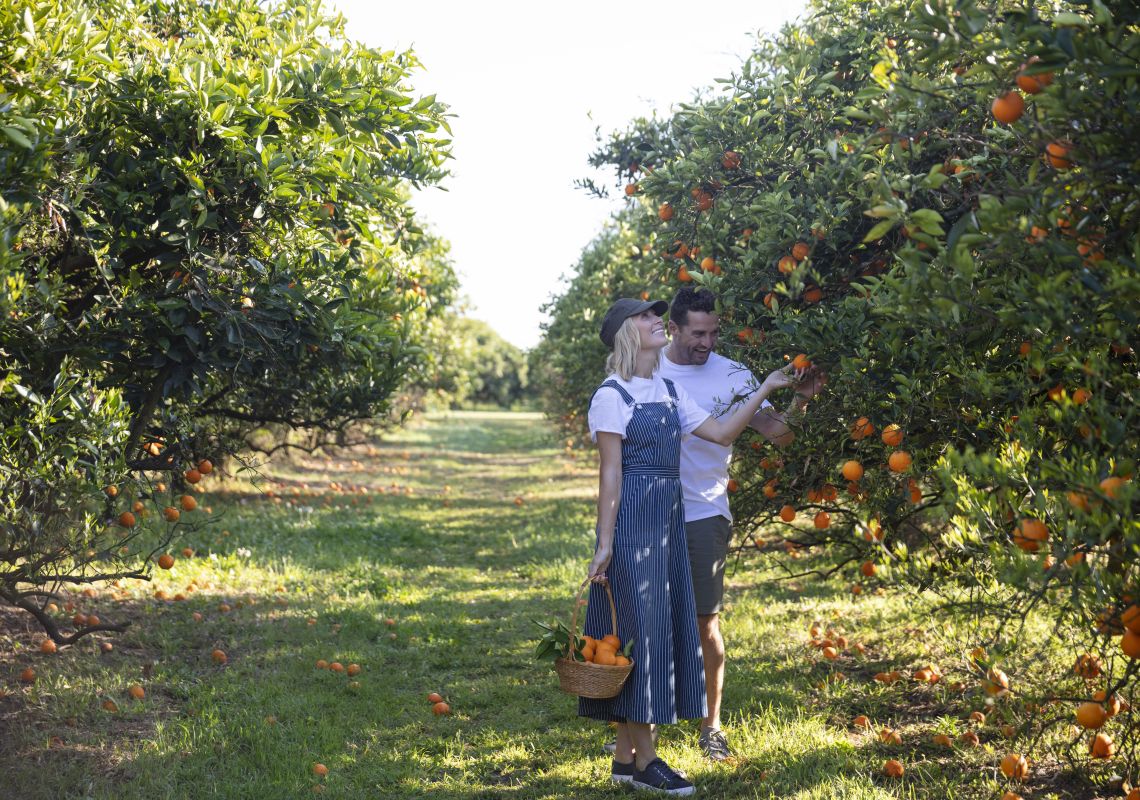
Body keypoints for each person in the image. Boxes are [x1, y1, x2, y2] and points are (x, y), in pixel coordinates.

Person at [580, 297, 800, 796]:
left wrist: (766, 387)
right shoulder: (611, 395)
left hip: (670, 518)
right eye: (645, 317)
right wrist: (606, 543)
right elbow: (611, 475)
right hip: (636, 520)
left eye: (655, 315)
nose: (657, 321)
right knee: (640, 636)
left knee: (658, 632)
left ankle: (625, 760)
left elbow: (722, 435)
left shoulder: (668, 388)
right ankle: (646, 763)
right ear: (626, 334)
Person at [656, 286, 823, 760]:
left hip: (704, 509)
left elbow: (780, 435)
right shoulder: (647, 368)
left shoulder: (734, 373)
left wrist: (803, 402)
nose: (706, 342)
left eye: (713, 332)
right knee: (648, 619)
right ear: (674, 328)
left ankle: (712, 727)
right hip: (649, 509)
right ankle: (637, 724)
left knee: (705, 621)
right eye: (696, 333)